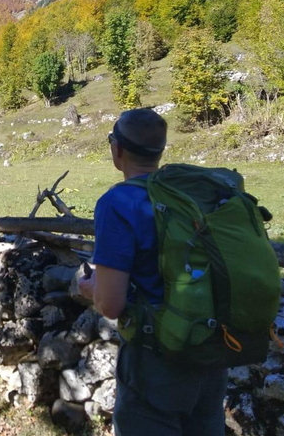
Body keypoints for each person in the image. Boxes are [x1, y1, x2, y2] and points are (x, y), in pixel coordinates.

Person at [78, 108, 228, 436]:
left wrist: (89, 287)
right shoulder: (188, 196)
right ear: (160, 151)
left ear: (116, 149)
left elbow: (111, 304)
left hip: (156, 362)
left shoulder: (118, 203)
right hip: (210, 354)